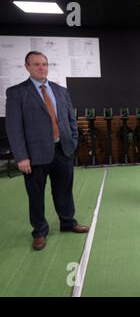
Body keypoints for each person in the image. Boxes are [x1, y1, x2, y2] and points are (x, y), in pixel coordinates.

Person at [5, 51, 89, 251]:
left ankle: (67, 222)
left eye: (44, 64)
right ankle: (40, 231)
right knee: (36, 195)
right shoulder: (17, 93)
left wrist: (73, 141)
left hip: (63, 150)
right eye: (36, 64)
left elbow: (71, 119)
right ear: (27, 67)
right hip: (34, 156)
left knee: (64, 190)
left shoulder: (60, 90)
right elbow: (14, 127)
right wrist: (21, 156)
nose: (41, 67)